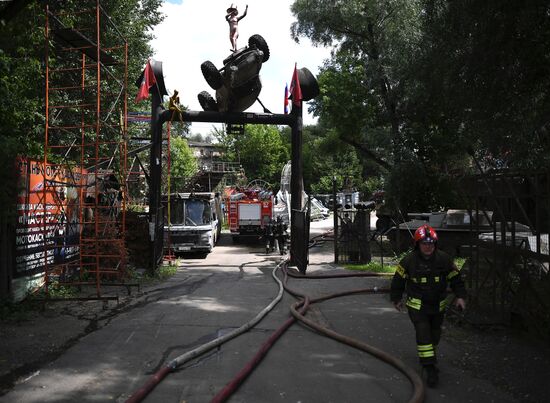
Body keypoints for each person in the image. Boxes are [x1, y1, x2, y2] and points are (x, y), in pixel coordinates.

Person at [390, 224, 467, 388]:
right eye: (424, 243)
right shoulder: (409, 260)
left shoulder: (444, 259)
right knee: (423, 333)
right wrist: (396, 299)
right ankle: (429, 367)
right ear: (418, 244)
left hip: (438, 306)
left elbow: (456, 278)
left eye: (431, 243)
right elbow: (398, 280)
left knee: (435, 334)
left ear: (435, 244)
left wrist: (460, 296)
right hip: (417, 307)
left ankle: (428, 355)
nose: (428, 247)